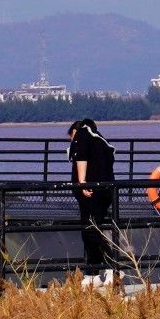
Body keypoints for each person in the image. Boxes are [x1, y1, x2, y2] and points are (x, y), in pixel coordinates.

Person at [69, 118, 117, 287]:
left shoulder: (82, 134)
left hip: (91, 192)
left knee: (91, 230)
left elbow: (81, 155)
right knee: (89, 231)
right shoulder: (101, 141)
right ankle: (92, 272)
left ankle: (113, 266)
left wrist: (82, 181)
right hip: (105, 191)